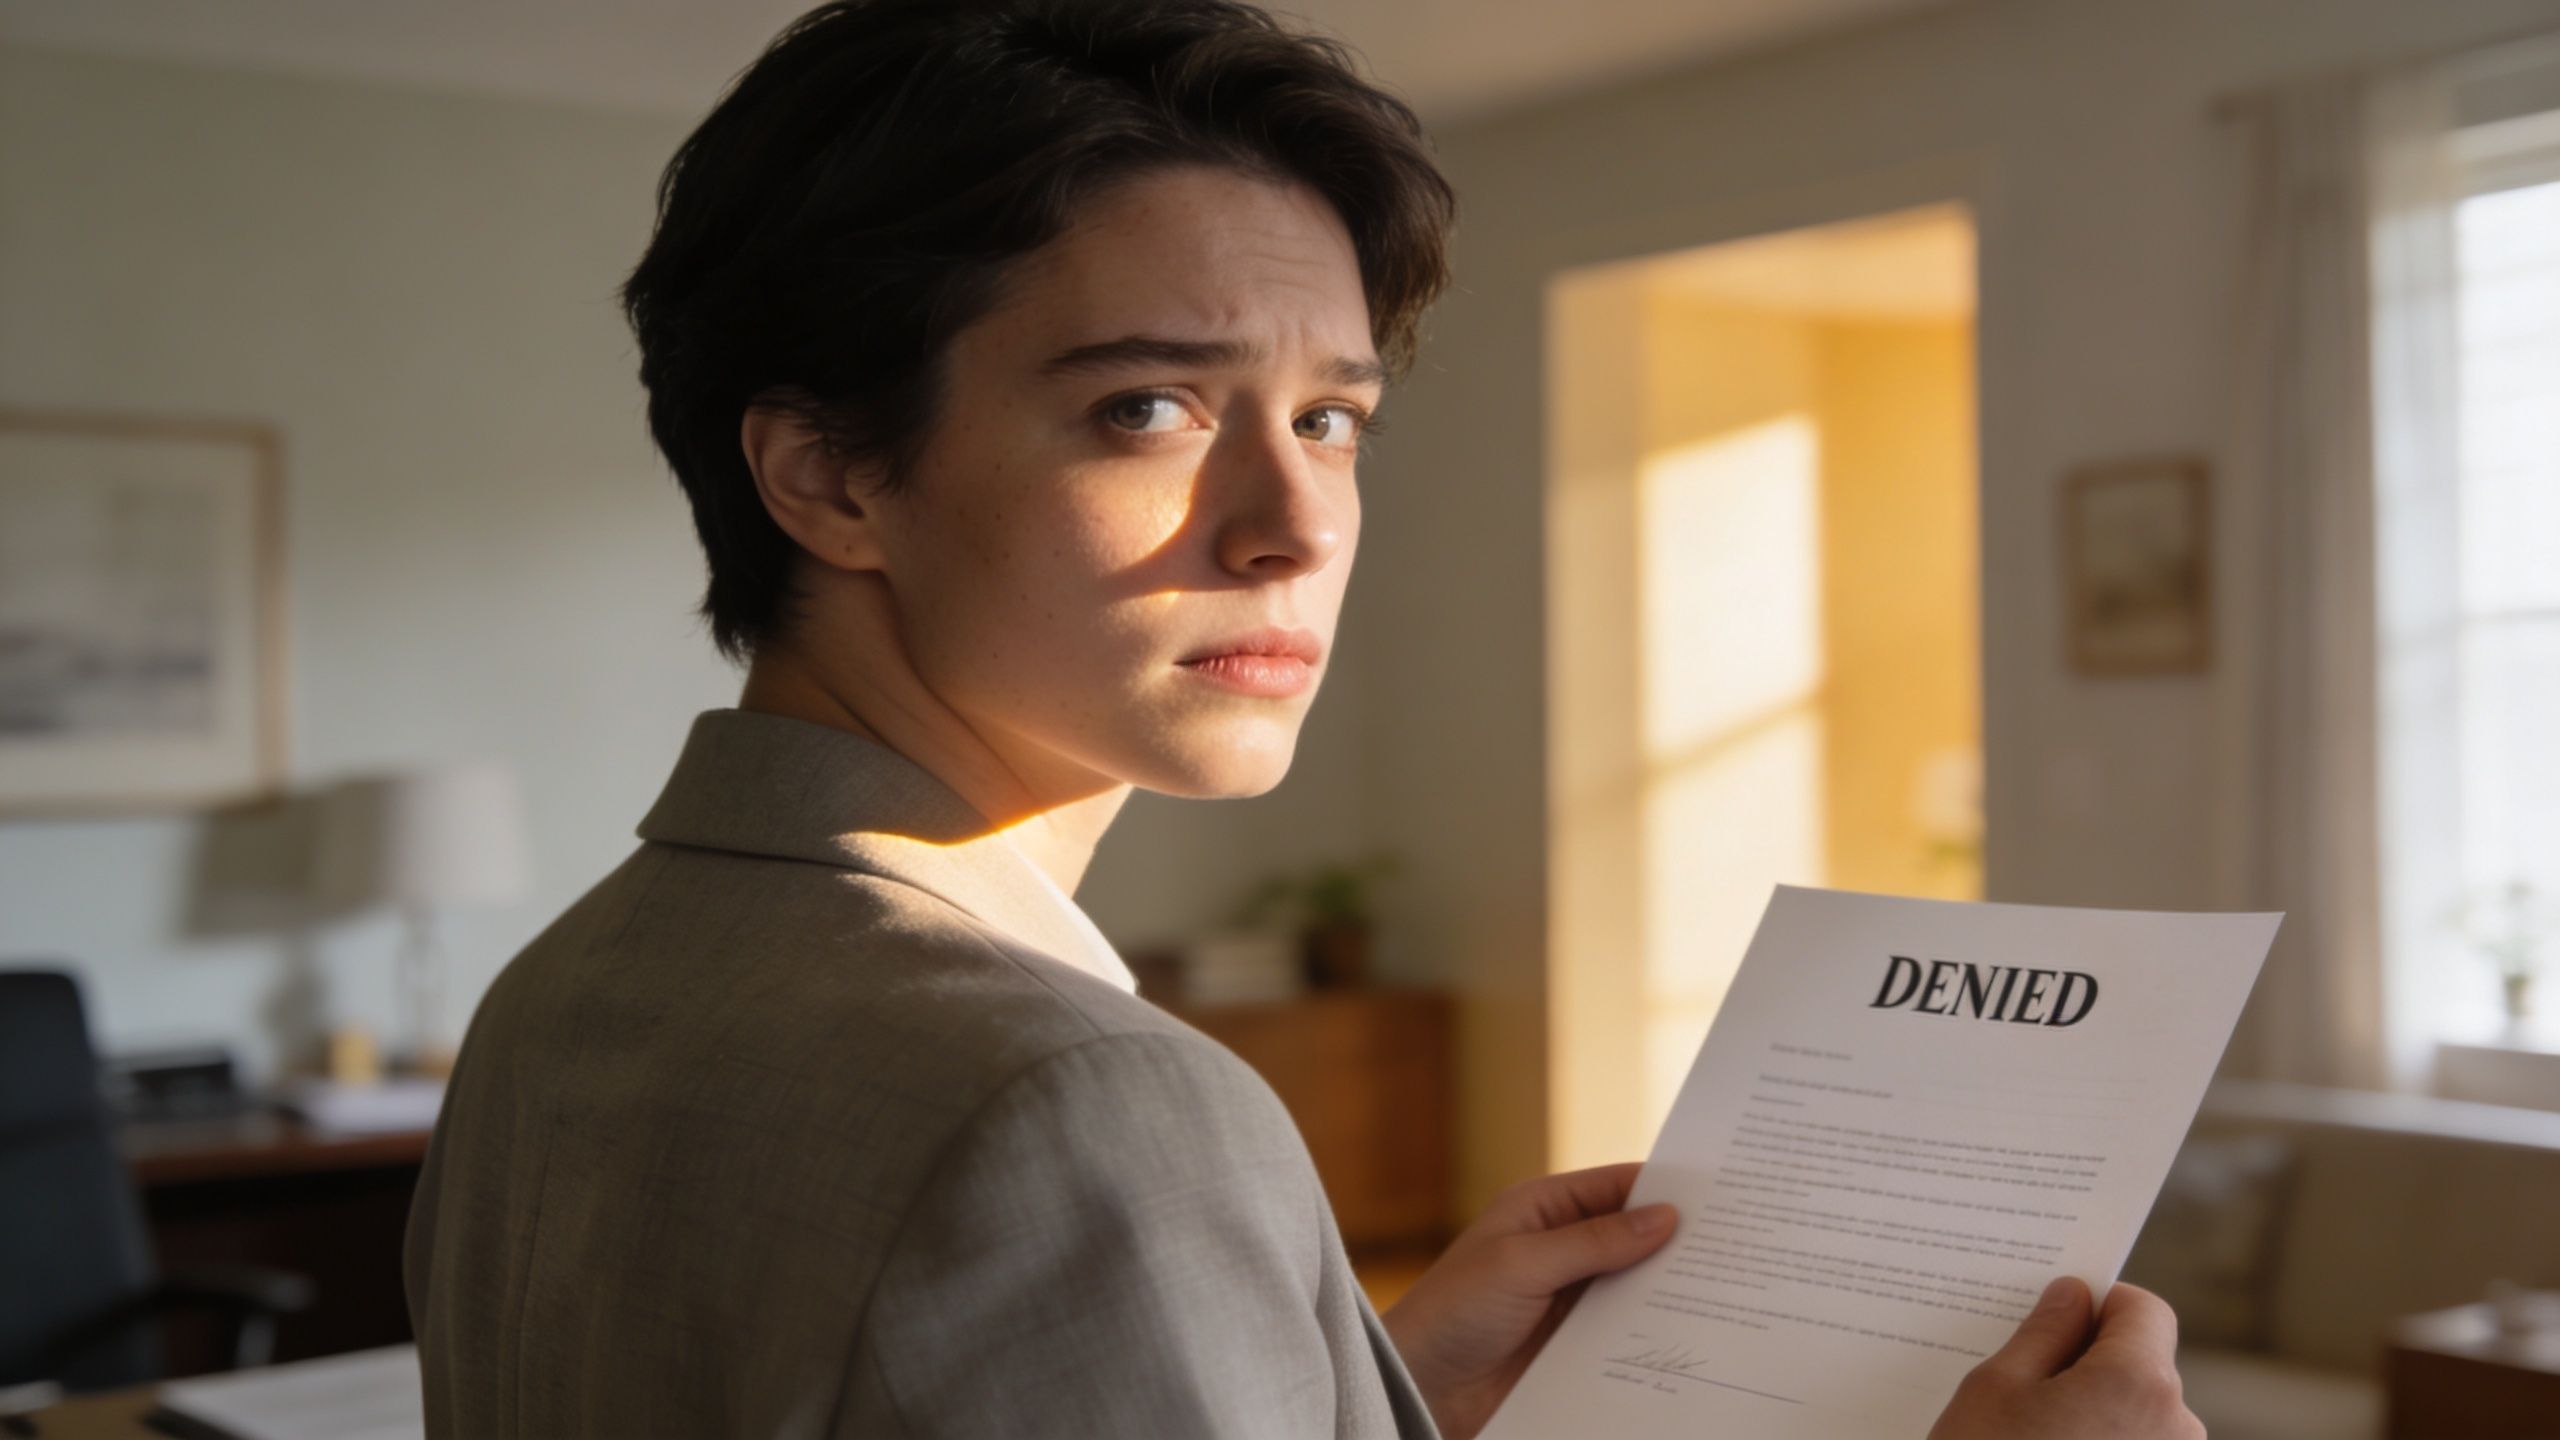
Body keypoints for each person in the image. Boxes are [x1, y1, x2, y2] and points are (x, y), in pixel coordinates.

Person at [402, 2, 2203, 1437]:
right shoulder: (1079, 1102)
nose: (1297, 523)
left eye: (1330, 417)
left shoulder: (566, 996)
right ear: (829, 476)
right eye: (1147, 410)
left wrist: (1372, 1384)